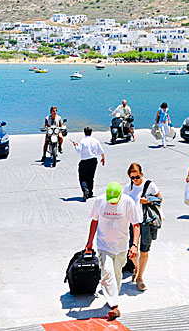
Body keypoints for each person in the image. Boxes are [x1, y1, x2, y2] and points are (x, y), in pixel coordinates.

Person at [85, 182, 142, 320]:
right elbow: (94, 221)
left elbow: (136, 225)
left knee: (117, 274)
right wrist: (89, 242)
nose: (112, 203)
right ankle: (114, 305)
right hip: (104, 245)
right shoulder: (100, 201)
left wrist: (134, 245)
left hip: (121, 245)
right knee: (107, 272)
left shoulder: (128, 202)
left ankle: (112, 298)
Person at [124, 163, 162, 292]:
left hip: (146, 221)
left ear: (142, 174)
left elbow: (160, 199)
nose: (135, 180)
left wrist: (148, 200)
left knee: (144, 250)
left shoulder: (149, 185)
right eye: (132, 177)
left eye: (137, 177)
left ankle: (140, 277)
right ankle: (136, 268)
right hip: (132, 223)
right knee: (132, 250)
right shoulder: (128, 187)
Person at [73, 127, 105, 200]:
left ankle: (85, 189)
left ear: (84, 132)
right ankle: (90, 192)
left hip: (84, 161)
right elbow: (101, 151)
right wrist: (103, 158)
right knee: (91, 177)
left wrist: (75, 145)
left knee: (83, 177)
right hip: (93, 160)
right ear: (91, 132)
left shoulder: (82, 141)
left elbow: (78, 150)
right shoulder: (95, 140)